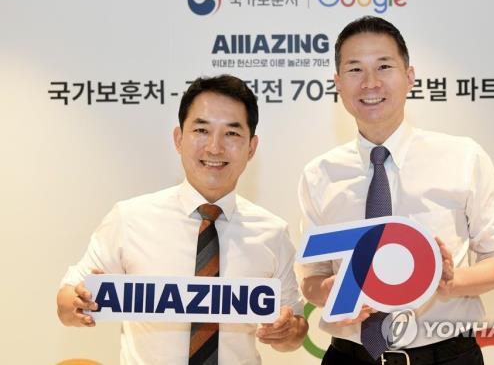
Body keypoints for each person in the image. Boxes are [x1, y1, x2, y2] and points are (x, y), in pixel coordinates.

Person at [299, 16, 494, 364]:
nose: (370, 83)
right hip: (350, 356)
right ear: (338, 83)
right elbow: (311, 279)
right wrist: (328, 293)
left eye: (384, 66)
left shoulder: (462, 156)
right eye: (355, 70)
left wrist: (450, 281)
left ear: (409, 76)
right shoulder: (320, 174)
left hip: (446, 356)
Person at [57, 75, 308, 365]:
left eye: (231, 133)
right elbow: (67, 300)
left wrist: (288, 330)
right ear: (179, 138)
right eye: (201, 130)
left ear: (251, 147)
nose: (214, 148)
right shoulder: (129, 218)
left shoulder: (272, 232)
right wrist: (75, 303)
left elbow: (295, 330)